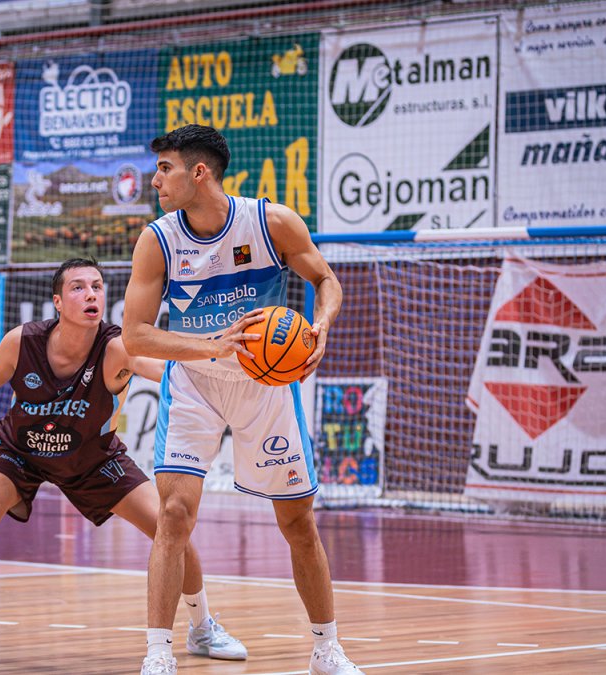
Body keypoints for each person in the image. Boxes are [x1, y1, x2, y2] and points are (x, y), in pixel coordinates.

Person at [0, 258, 247, 672]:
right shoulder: (22, 342)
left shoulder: (117, 345)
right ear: (57, 302)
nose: (91, 294)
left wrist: (222, 363)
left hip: (93, 458)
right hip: (21, 453)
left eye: (98, 287)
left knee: (171, 525)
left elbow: (164, 370)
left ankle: (202, 628)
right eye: (79, 288)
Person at [124, 125, 362, 675]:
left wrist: (319, 325)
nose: (156, 180)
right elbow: (135, 334)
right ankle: (159, 653)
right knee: (174, 515)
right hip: (194, 385)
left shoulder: (271, 222)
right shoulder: (156, 239)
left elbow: (326, 280)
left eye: (165, 168)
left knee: (298, 523)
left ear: (198, 172)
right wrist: (210, 345)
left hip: (267, 385)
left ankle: (326, 649)